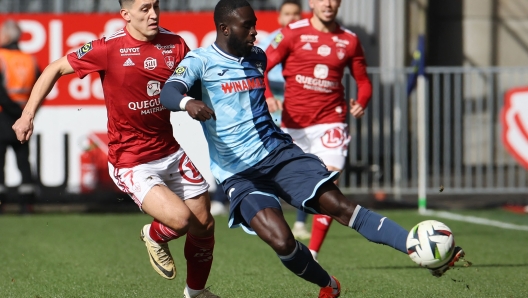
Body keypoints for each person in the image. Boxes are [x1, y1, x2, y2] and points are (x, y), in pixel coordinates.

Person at [160, 0, 465, 297]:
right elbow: (169, 92)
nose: (255, 32)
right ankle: (330, 285)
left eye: (255, 25)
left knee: (340, 206)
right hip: (238, 174)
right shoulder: (200, 61)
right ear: (225, 28)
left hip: (279, 156)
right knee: (282, 242)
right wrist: (188, 103)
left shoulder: (257, 58)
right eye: (248, 26)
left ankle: (415, 246)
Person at [11, 1, 219, 297]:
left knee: (204, 224)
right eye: (145, 8)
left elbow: (196, 84)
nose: (154, 15)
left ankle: (195, 294)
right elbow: (55, 67)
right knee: (180, 220)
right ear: (125, 14)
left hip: (170, 151)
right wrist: (28, 114)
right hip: (131, 161)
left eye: (156, 6)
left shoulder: (175, 43)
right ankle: (153, 234)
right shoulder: (107, 48)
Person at [263, 0, 371, 261]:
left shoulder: (350, 40)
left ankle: (312, 253)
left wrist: (362, 102)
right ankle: (282, 232)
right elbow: (261, 65)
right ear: (312, 2)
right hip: (294, 125)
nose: (328, 3)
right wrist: (267, 95)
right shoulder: (291, 33)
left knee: (330, 185)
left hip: (331, 122)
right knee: (283, 184)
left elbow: (364, 81)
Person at [257, 0, 311, 241]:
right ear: (279, 17)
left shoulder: (309, 41)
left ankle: (300, 221)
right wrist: (269, 96)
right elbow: (260, 71)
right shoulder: (270, 42)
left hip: (300, 108)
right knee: (267, 160)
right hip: (274, 108)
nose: (291, 18)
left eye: (295, 13)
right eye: (287, 13)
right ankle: (265, 215)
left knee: (305, 163)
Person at [0, 19, 39, 214]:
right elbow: (40, 91)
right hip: (23, 118)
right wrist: (27, 114)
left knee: (0, 163)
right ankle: (27, 204)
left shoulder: (0, 57)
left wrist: (15, 112)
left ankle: (2, 204)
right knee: (24, 162)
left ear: (6, 36)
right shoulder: (29, 59)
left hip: (3, 117)